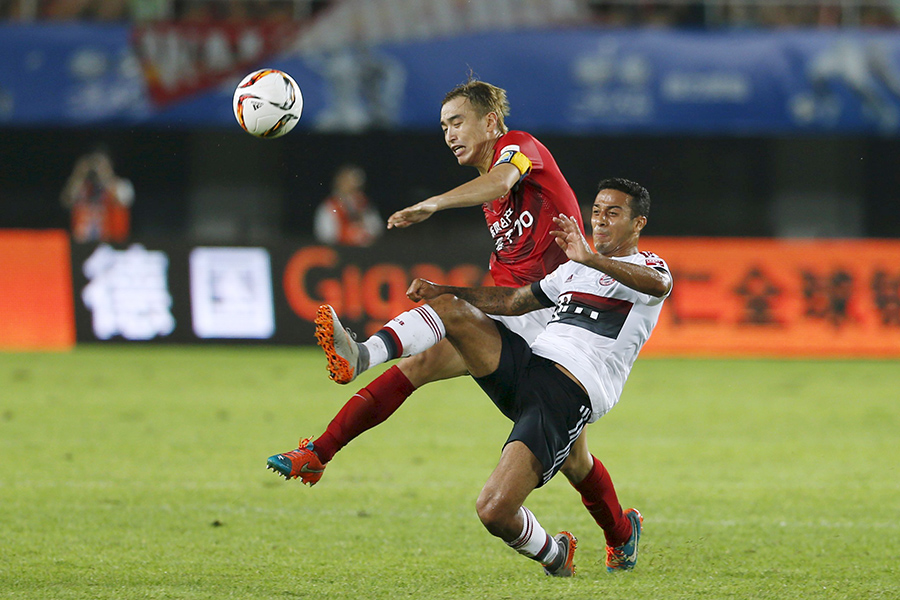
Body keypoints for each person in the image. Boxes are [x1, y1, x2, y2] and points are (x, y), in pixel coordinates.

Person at [271, 179, 672, 575]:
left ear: (638, 224)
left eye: (613, 214)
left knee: (495, 509)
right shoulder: (572, 271)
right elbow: (515, 301)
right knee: (449, 309)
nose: (600, 221)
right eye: (597, 211)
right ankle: (361, 357)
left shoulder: (647, 267)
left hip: (568, 394)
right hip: (530, 366)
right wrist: (442, 289)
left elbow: (659, 285)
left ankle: (559, 553)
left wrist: (589, 258)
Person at [60, 147, 134, 243]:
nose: (96, 168)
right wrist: (79, 174)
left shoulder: (121, 184)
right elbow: (66, 202)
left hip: (111, 243)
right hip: (81, 243)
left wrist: (105, 175)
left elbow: (123, 202)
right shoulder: (82, 187)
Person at [313, 164, 384, 247]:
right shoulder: (330, 206)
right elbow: (324, 235)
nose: (354, 188)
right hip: (340, 250)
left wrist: (362, 229)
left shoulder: (364, 204)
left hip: (364, 252)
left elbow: (377, 228)